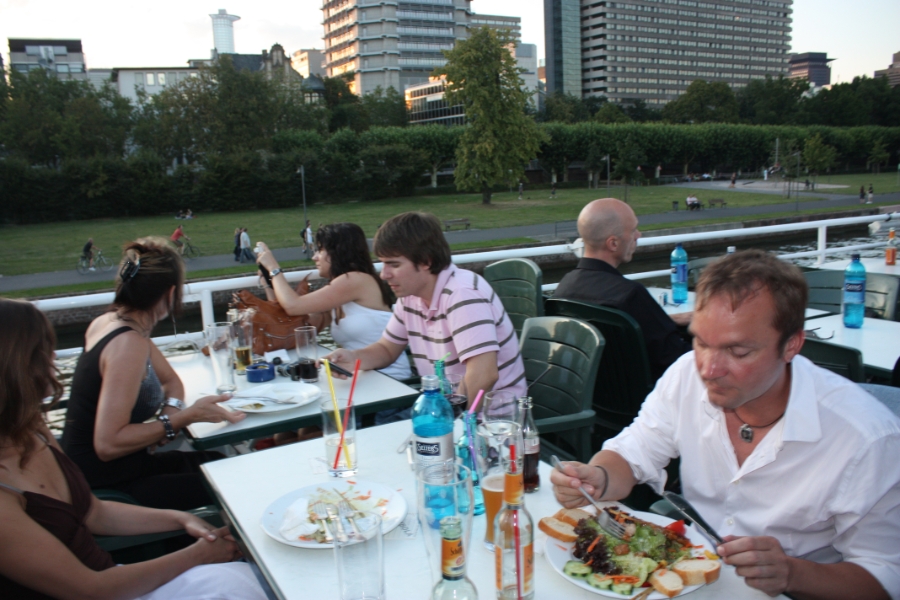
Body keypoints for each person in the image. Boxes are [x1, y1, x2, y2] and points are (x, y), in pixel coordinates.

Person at [550, 250, 900, 600]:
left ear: (791, 345)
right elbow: (633, 451)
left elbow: (886, 577)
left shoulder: (868, 439)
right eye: (701, 342)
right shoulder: (685, 374)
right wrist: (598, 477)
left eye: (738, 351)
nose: (708, 369)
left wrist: (792, 573)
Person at [0, 298, 266, 600]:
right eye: (43, 350)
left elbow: (95, 512)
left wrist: (180, 519)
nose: (53, 358)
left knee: (252, 582)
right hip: (106, 589)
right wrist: (198, 555)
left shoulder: (32, 428)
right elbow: (91, 589)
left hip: (116, 579)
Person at [61, 238, 246, 510]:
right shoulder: (128, 344)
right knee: (235, 481)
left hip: (116, 466)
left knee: (220, 463)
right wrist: (184, 418)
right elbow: (107, 444)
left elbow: (171, 381)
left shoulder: (114, 323)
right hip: (104, 485)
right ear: (171, 294)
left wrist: (168, 418)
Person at [324, 212, 527, 407]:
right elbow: (387, 349)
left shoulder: (462, 294)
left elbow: (483, 375)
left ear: (426, 262)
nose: (384, 274)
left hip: (491, 420)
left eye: (393, 265)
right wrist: (353, 359)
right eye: (383, 264)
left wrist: (446, 417)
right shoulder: (410, 295)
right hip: (443, 407)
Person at [254, 222, 413, 385]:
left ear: (338, 252)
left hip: (390, 379)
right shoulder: (340, 291)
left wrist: (274, 268)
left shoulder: (355, 280)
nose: (314, 257)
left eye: (320, 250)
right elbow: (298, 326)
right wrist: (269, 283)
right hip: (362, 376)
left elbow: (293, 306)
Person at [554, 199, 691, 381]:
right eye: (633, 230)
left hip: (592, 393)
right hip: (646, 395)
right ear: (613, 244)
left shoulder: (564, 289)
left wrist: (664, 320)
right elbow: (677, 358)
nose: (638, 235)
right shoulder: (629, 295)